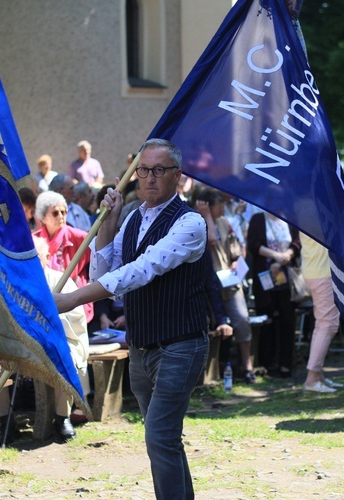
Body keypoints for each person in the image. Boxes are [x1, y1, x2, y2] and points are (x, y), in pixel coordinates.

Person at [54, 139, 209, 499]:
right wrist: (108, 220)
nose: (149, 178)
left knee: (159, 435)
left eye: (159, 170)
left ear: (178, 177)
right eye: (143, 170)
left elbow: (141, 270)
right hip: (140, 345)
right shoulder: (134, 217)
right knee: (164, 439)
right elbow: (105, 268)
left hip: (180, 344)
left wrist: (73, 298)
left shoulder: (191, 223)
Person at [195, 187, 256, 383]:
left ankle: (247, 366)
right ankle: (214, 372)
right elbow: (211, 239)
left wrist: (236, 261)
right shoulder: (196, 222)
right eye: (219, 205)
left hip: (229, 282)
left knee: (242, 320)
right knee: (215, 326)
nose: (223, 208)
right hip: (207, 286)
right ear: (206, 206)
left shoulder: (224, 222)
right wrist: (205, 215)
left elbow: (237, 249)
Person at [246, 210, 301, 379]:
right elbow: (253, 245)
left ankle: (285, 364)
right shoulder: (257, 219)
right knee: (266, 319)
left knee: (287, 320)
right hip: (265, 278)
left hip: (286, 278)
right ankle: (266, 362)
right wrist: (275, 256)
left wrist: (286, 256)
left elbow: (297, 243)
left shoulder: (290, 219)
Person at [32, 191, 93, 322]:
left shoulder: (78, 237)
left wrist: (91, 282)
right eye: (55, 213)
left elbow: (101, 255)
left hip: (73, 302)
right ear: (42, 217)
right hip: (45, 300)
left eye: (64, 212)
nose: (60, 216)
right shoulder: (35, 240)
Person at [299, 233, 343, 393]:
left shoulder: (306, 209)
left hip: (315, 269)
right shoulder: (317, 210)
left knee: (322, 325)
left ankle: (317, 375)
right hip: (322, 272)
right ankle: (312, 379)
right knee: (328, 325)